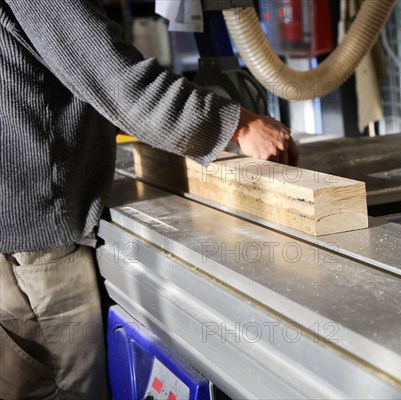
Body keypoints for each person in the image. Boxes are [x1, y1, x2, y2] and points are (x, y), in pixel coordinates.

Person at [0, 0, 298, 398]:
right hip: (37, 254)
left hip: (16, 247)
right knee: (70, 389)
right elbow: (118, 81)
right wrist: (239, 125)